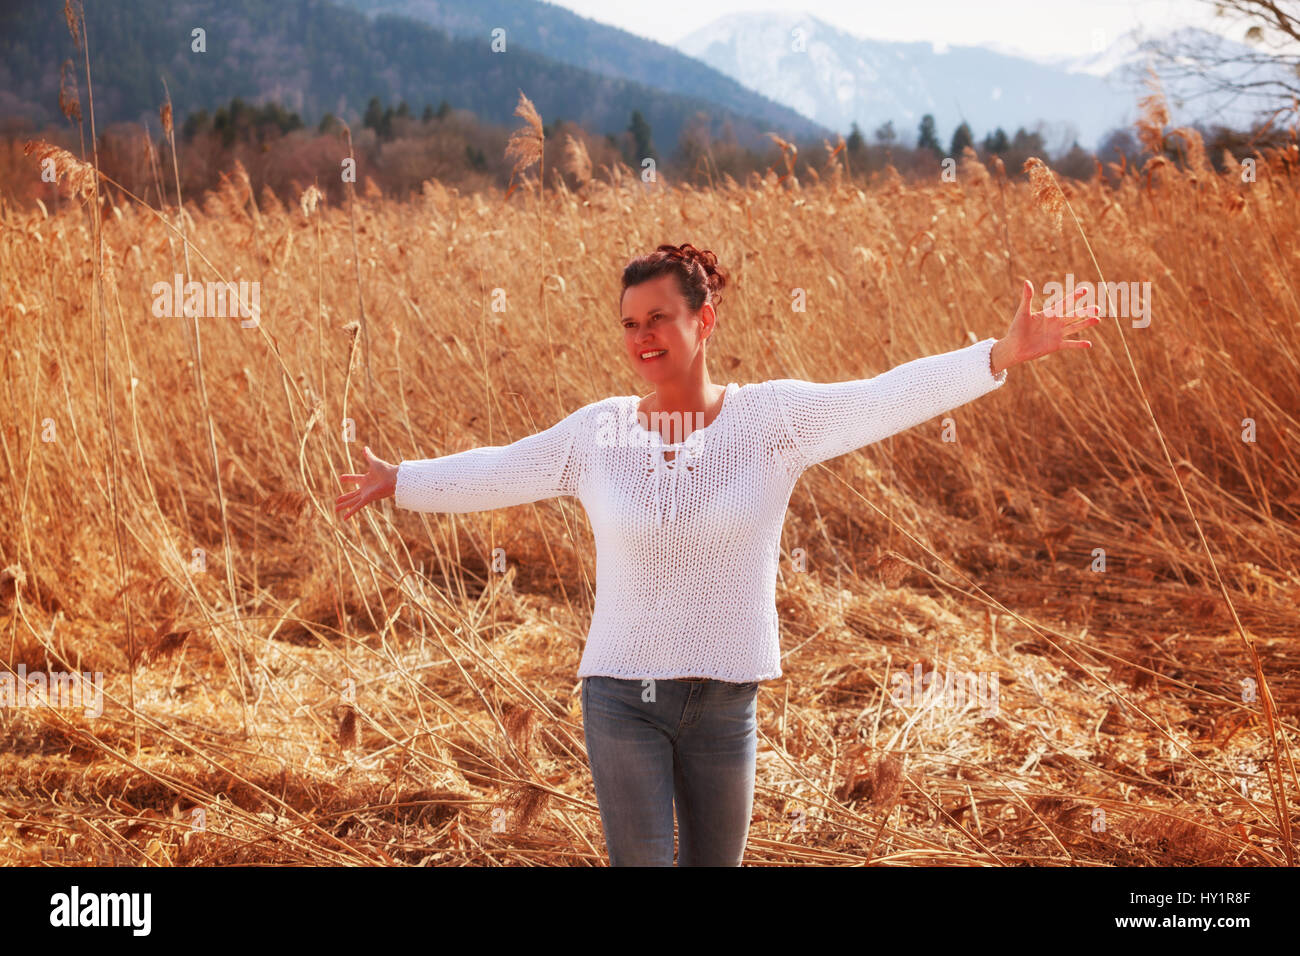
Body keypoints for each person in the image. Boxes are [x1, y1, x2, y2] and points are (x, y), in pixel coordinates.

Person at [334, 242, 1100, 866]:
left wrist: (995, 355)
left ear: (706, 320)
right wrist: (402, 481)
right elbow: (502, 467)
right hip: (620, 694)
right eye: (629, 323)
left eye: (659, 317)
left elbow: (881, 396)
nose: (642, 338)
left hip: (727, 697)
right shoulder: (597, 432)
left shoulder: (773, 420)